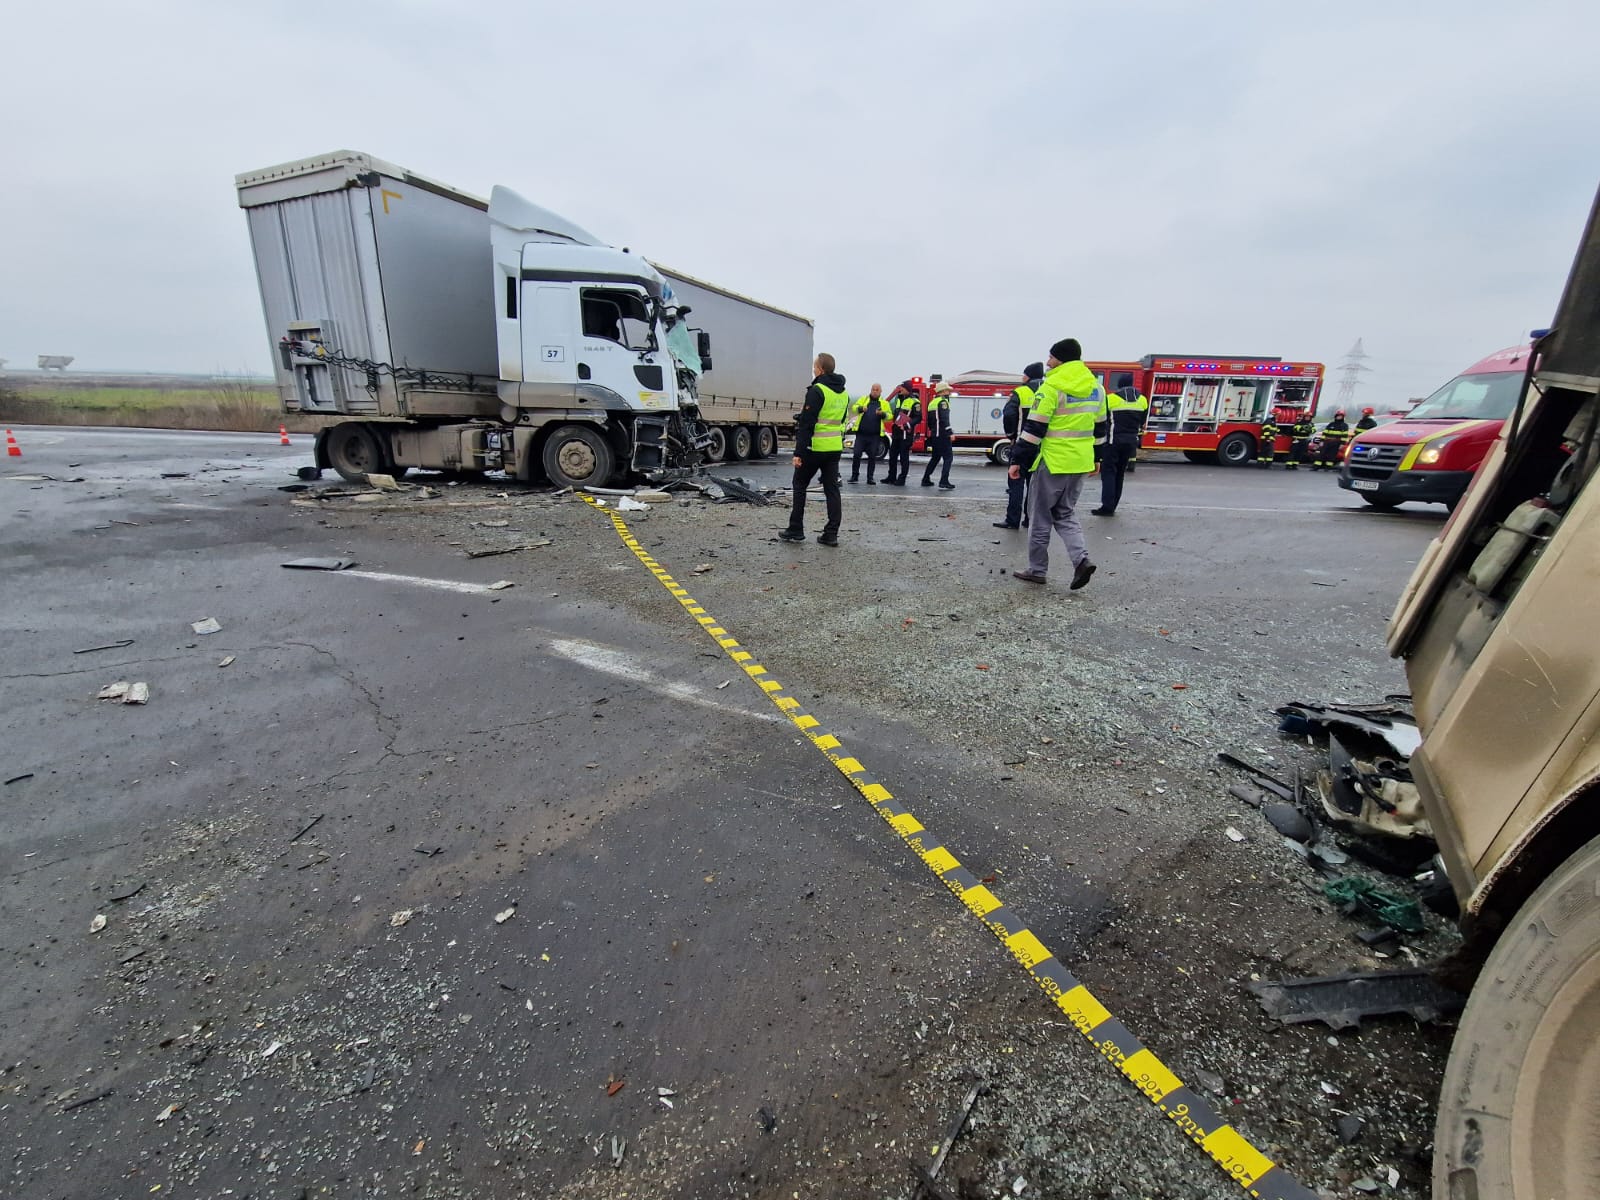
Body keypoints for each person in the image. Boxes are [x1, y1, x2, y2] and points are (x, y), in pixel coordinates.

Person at [1010, 339, 1107, 589]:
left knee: (1040, 517)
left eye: (1051, 357)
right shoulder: (1097, 388)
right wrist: (1096, 458)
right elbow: (1101, 428)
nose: (1047, 362)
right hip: (1080, 462)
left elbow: (1034, 428)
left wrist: (1018, 460)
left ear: (1061, 359)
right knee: (1065, 513)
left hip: (1053, 461)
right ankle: (1081, 560)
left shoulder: (1051, 386)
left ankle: (1037, 569)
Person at [779, 353, 847, 546]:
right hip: (834, 448)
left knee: (799, 485)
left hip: (815, 447)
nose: (813, 368)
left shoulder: (817, 390)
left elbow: (807, 425)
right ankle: (831, 534)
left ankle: (795, 529)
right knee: (832, 489)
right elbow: (839, 421)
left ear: (821, 369)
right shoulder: (843, 392)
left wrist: (798, 453)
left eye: (814, 365)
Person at [994, 362, 1043, 529]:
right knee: (1034, 486)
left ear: (1028, 376)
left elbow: (1008, 415)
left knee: (1015, 483)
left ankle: (1012, 520)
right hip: (1042, 447)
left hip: (1022, 444)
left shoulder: (1020, 392)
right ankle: (1030, 519)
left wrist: (1011, 436)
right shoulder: (1049, 392)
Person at [1092, 372, 1147, 515]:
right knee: (1120, 474)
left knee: (1109, 473)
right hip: (1131, 442)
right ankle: (1114, 504)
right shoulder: (1142, 400)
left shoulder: (1110, 399)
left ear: (1119, 384)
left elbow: (1101, 420)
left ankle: (1107, 507)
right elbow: (1142, 422)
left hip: (1112, 442)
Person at [920, 381, 956, 489]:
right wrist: (950, 432)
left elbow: (931, 421)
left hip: (935, 434)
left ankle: (926, 478)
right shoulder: (943, 402)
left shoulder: (932, 402)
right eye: (947, 390)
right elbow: (944, 419)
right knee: (948, 458)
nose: (949, 392)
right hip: (943, 435)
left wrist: (933, 431)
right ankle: (944, 481)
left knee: (935, 458)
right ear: (943, 391)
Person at [848, 383, 886, 484]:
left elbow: (890, 415)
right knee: (856, 455)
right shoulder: (864, 399)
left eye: (877, 389)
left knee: (872, 456)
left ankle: (870, 478)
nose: (874, 391)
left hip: (874, 435)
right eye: (873, 389)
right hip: (861, 434)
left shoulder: (883, 403)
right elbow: (854, 407)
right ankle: (854, 476)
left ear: (880, 391)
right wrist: (861, 408)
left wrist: (882, 414)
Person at [884, 382, 918, 485]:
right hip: (896, 433)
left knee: (904, 457)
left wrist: (907, 425)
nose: (900, 389)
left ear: (907, 389)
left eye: (902, 388)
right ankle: (891, 477)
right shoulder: (899, 399)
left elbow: (918, 417)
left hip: (905, 434)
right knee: (893, 456)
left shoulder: (915, 402)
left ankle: (902, 478)